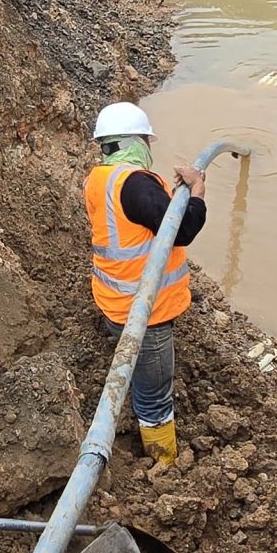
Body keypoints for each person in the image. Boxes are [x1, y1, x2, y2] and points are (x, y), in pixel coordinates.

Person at [84, 103, 208, 463]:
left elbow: (136, 222)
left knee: (134, 364)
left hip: (112, 300)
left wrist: (165, 197)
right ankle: (163, 459)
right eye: (146, 141)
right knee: (154, 396)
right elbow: (181, 230)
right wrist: (196, 190)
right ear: (135, 141)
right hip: (145, 313)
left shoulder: (100, 178)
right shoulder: (136, 184)